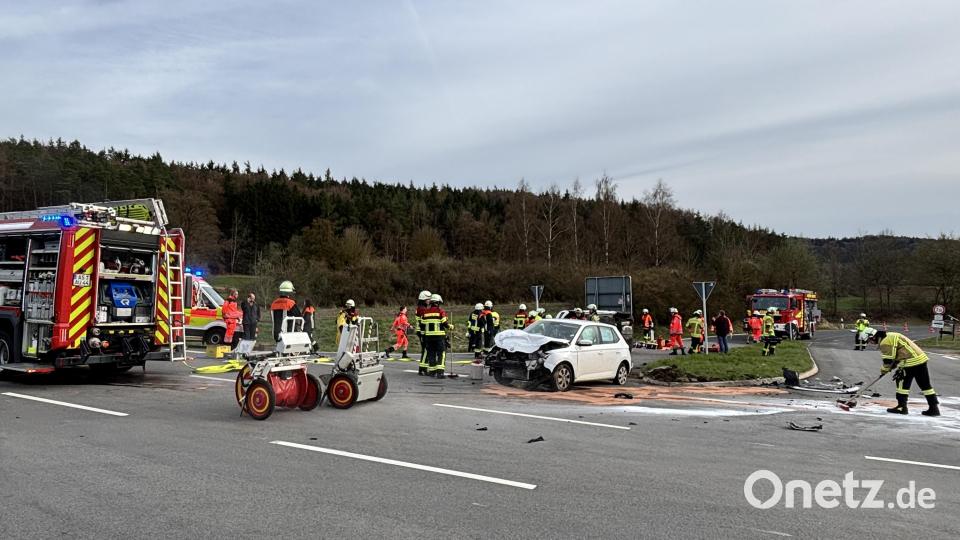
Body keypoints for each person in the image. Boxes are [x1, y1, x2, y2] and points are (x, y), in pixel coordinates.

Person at [865, 328, 939, 416]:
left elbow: (888, 360)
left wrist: (884, 371)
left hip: (909, 362)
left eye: (869, 340)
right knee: (925, 385)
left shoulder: (885, 343)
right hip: (921, 359)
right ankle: (934, 408)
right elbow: (896, 354)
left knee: (901, 384)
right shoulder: (890, 335)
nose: (870, 343)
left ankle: (901, 407)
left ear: (873, 337)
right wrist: (893, 365)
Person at [419, 293, 448, 378]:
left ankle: (432, 372)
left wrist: (423, 336)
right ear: (438, 303)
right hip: (439, 337)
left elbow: (422, 325)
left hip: (428, 337)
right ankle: (440, 373)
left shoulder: (425, 312)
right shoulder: (441, 311)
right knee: (441, 353)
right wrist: (450, 326)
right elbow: (444, 323)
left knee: (431, 354)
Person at [415, 290, 431, 367]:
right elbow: (423, 322)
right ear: (423, 299)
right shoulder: (422, 309)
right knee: (426, 349)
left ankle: (423, 367)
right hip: (422, 331)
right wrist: (423, 333)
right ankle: (423, 368)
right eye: (428, 299)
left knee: (425, 349)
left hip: (421, 331)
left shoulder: (421, 308)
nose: (429, 301)